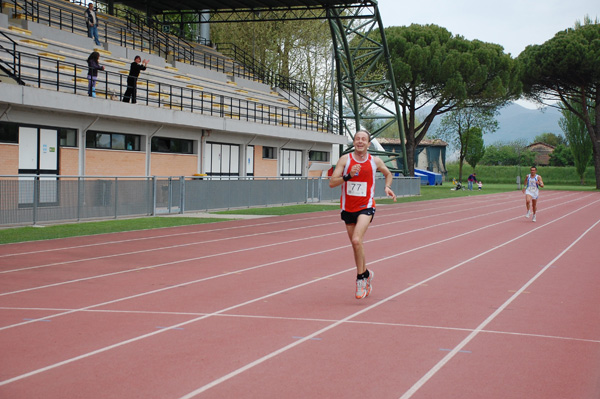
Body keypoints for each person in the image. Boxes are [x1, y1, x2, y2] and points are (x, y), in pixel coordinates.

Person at [329, 130, 397, 299]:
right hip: (348, 208)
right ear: (354, 142)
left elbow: (388, 174)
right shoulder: (345, 160)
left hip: (366, 206)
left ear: (368, 144)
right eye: (357, 139)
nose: (360, 141)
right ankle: (366, 273)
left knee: (356, 240)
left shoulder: (375, 161)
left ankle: (360, 279)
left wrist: (387, 187)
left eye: (363, 139)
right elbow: (332, 183)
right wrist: (348, 176)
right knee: (356, 245)